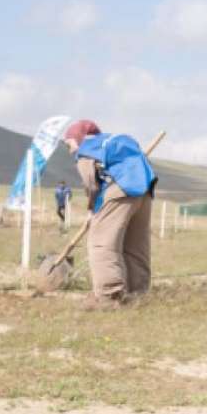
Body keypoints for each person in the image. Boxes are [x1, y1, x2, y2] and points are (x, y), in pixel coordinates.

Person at [64, 120, 156, 307]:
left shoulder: (86, 150)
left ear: (78, 138)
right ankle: (138, 293)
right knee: (134, 244)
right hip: (145, 190)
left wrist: (92, 210)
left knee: (101, 242)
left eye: (69, 144)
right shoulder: (113, 141)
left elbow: (91, 184)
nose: (70, 150)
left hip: (120, 189)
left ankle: (108, 296)